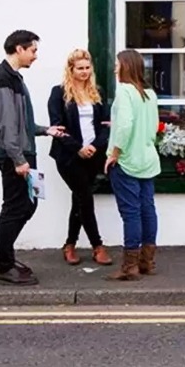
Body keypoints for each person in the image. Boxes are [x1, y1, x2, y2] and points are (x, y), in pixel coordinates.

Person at [0, 30, 66, 285]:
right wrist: (19, 159)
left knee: (27, 205)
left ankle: (1, 258)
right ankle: (3, 266)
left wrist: (45, 130)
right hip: (13, 155)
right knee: (14, 208)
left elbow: (21, 122)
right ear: (19, 49)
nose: (35, 56)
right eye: (33, 50)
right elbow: (8, 125)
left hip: (21, 151)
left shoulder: (14, 78)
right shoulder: (2, 79)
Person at [47, 48, 113, 267]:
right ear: (71, 69)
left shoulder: (98, 92)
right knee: (85, 197)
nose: (84, 72)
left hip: (93, 155)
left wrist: (95, 146)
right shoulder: (59, 93)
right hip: (68, 156)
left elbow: (105, 125)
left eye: (87, 68)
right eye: (80, 68)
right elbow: (58, 128)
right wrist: (78, 148)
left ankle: (69, 244)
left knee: (79, 199)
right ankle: (98, 246)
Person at [104, 49, 161, 281]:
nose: (115, 67)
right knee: (148, 210)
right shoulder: (150, 94)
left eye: (117, 64)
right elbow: (153, 126)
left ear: (126, 66)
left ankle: (129, 267)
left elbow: (126, 125)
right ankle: (146, 262)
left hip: (127, 161)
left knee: (130, 213)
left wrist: (114, 153)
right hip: (147, 159)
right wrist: (115, 123)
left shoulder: (125, 91)